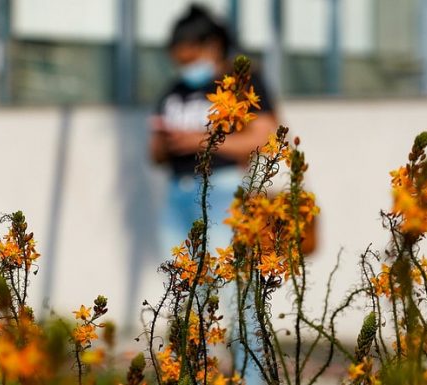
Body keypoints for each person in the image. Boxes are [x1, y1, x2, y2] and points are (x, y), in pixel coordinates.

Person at [149, 5, 278, 384]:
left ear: (212, 45)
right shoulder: (173, 90)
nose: (185, 65)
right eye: (179, 58)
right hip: (177, 195)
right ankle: (197, 373)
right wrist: (167, 143)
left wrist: (202, 139)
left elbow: (265, 134)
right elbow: (153, 153)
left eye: (190, 55)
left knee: (238, 294)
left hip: (222, 192)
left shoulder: (241, 81)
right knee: (187, 292)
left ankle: (251, 378)